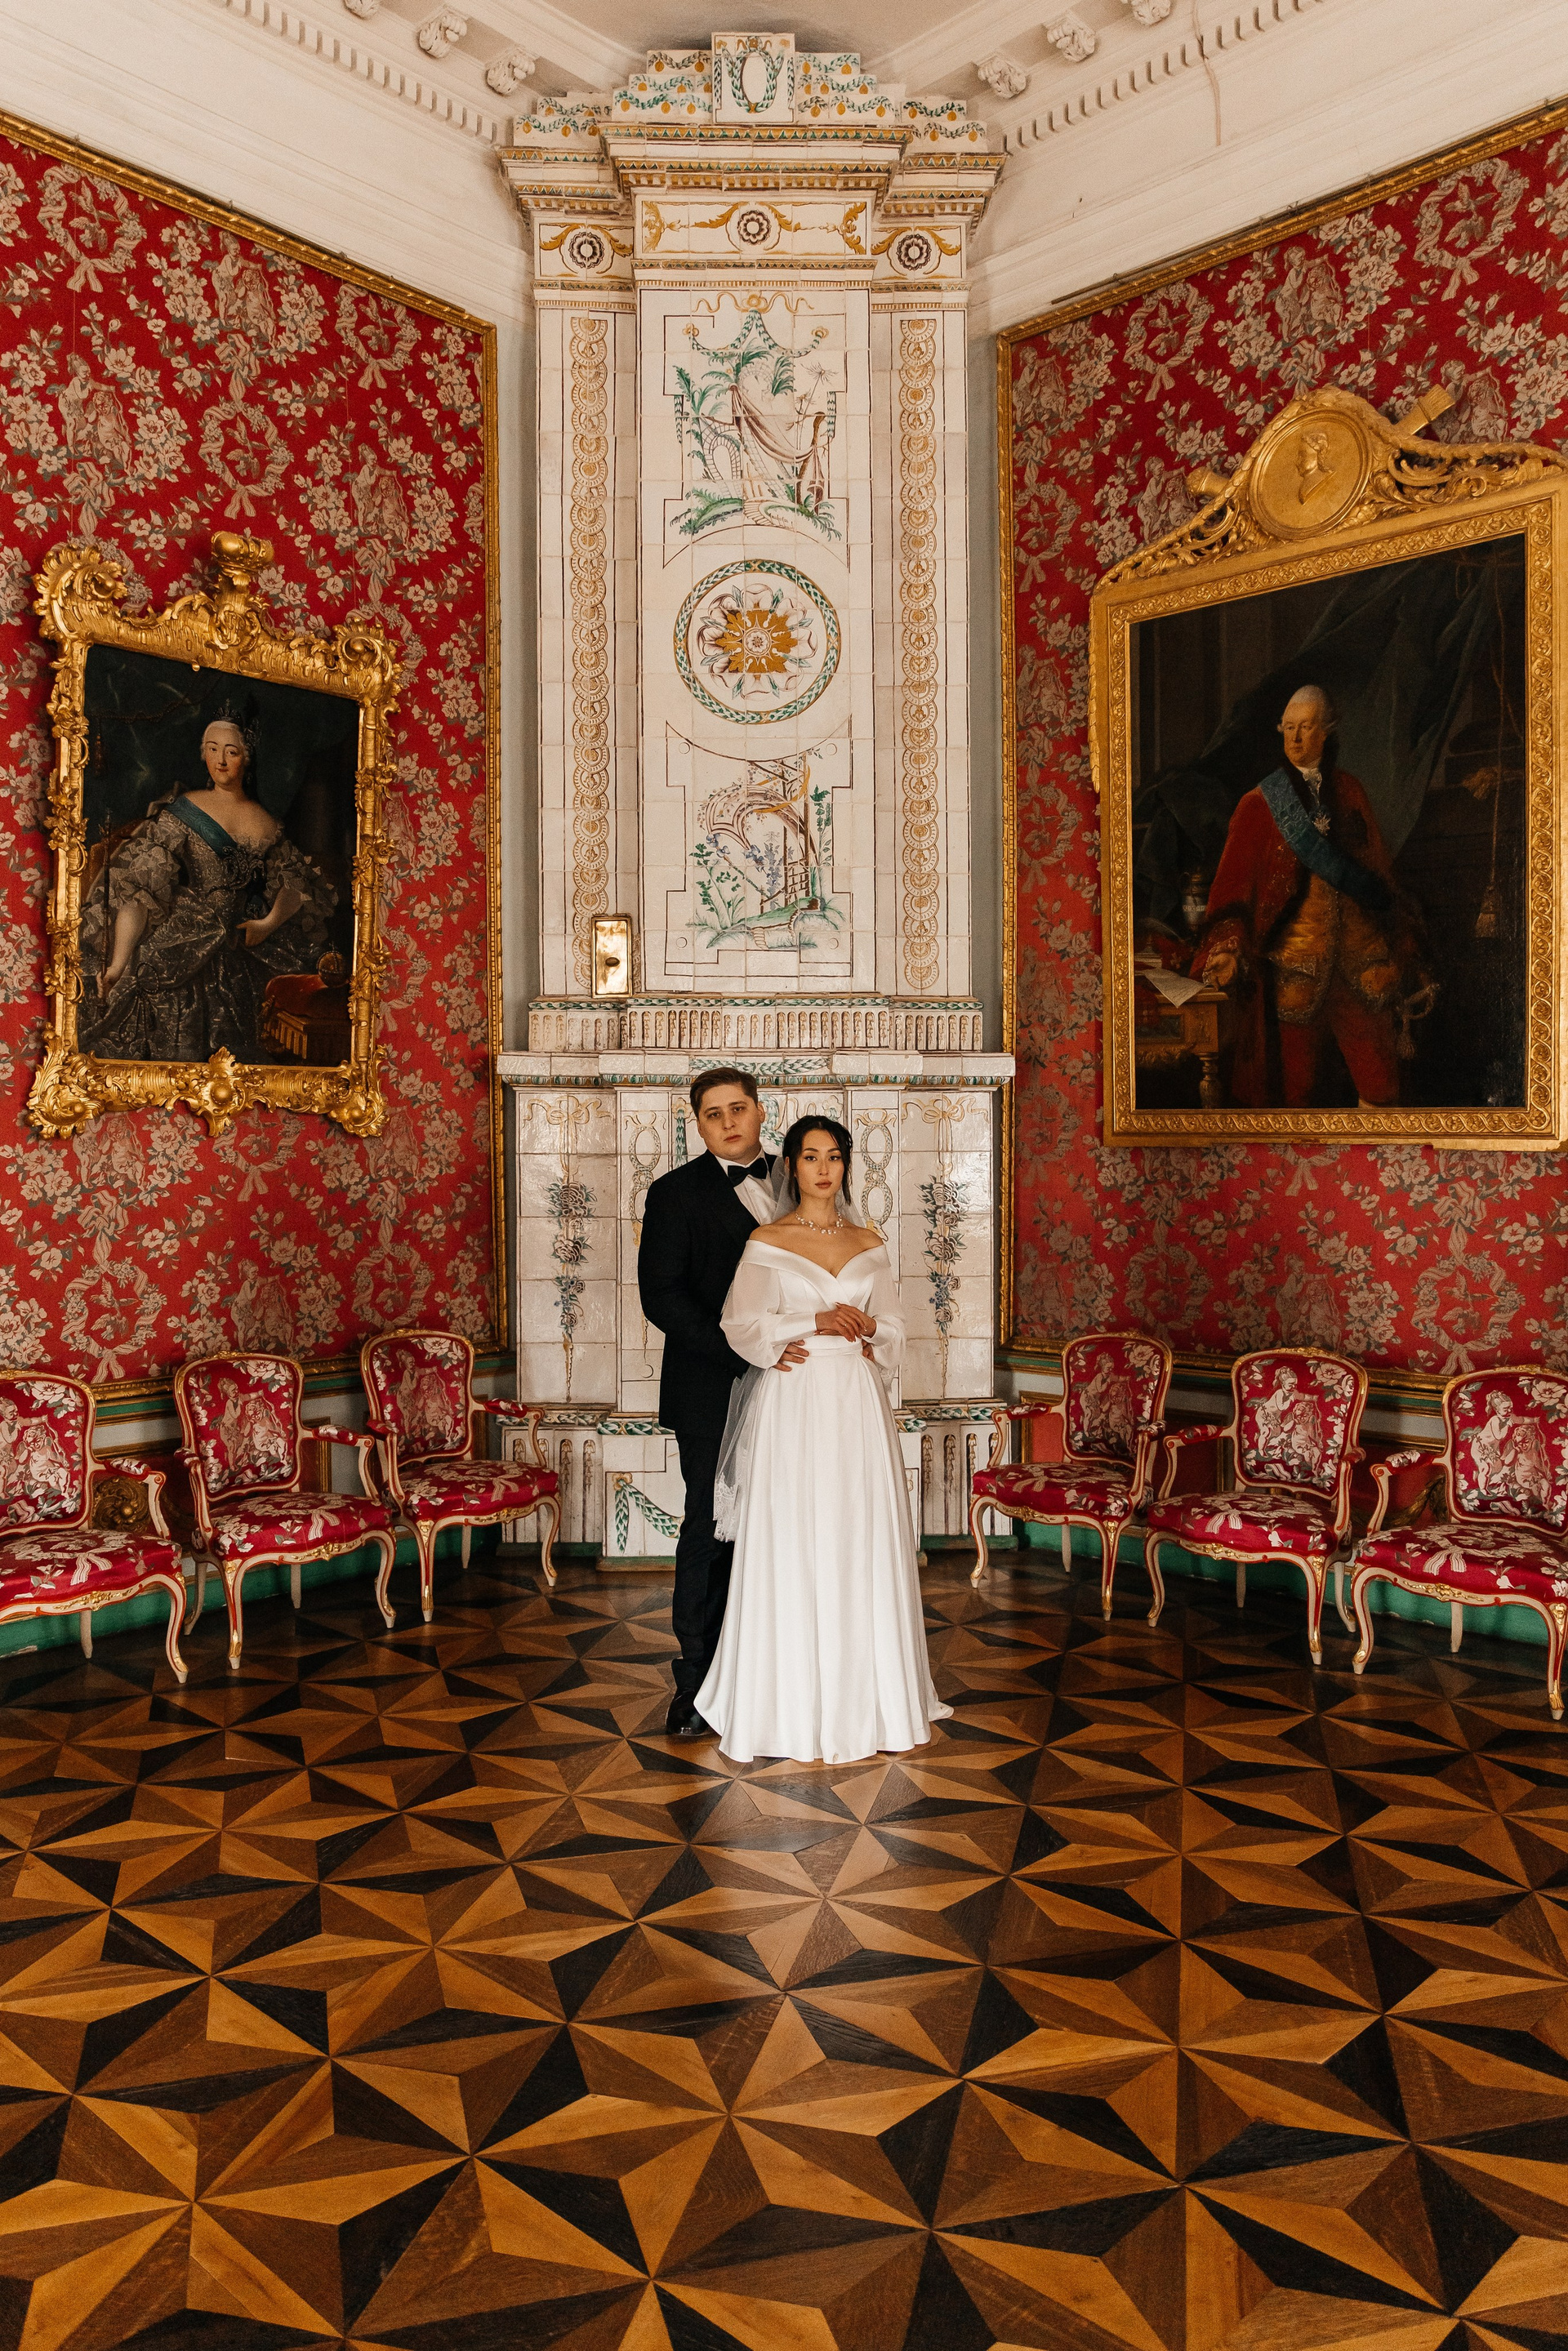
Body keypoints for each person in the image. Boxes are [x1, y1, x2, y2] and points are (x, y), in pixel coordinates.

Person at [694, 1117, 951, 1767]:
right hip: (797, 1399)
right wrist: (809, 1320)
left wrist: (870, 1332)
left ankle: (873, 1700)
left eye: (834, 1157)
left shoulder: (869, 1241)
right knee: (796, 1535)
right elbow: (740, 1323)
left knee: (857, 1535)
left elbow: (895, 1328)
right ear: (791, 1165)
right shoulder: (767, 1240)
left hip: (855, 1404)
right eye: (811, 1157)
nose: (823, 1169)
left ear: (845, 1165)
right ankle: (786, 1705)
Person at [1192, 684, 1435, 1107]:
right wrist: (1228, 949)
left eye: (1306, 727)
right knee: (1294, 1096)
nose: (1296, 738)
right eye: (1288, 728)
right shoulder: (1258, 804)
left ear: (1327, 731)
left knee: (1382, 1092)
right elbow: (1231, 890)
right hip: (1294, 972)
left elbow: (1379, 874)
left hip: (1362, 968)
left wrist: (1402, 938)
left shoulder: (1352, 791)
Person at [638, 1068, 777, 1738]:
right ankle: (696, 1686)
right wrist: (742, 1352)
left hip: (798, 1387)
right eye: (713, 1113)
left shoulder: (803, 1177)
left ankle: (779, 1673)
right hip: (710, 1387)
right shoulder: (673, 1192)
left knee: (787, 1527)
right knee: (710, 1529)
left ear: (761, 1111)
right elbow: (661, 1295)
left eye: (738, 1108)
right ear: (697, 1123)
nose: (728, 1122)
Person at [79, 715, 335, 1063]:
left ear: (246, 758)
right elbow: (140, 890)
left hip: (247, 937)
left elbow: (296, 883)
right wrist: (118, 963)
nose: (221, 760)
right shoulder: (186, 810)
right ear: (203, 754)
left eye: (231, 751)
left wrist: (269, 923)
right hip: (189, 930)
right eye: (213, 750)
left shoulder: (267, 822)